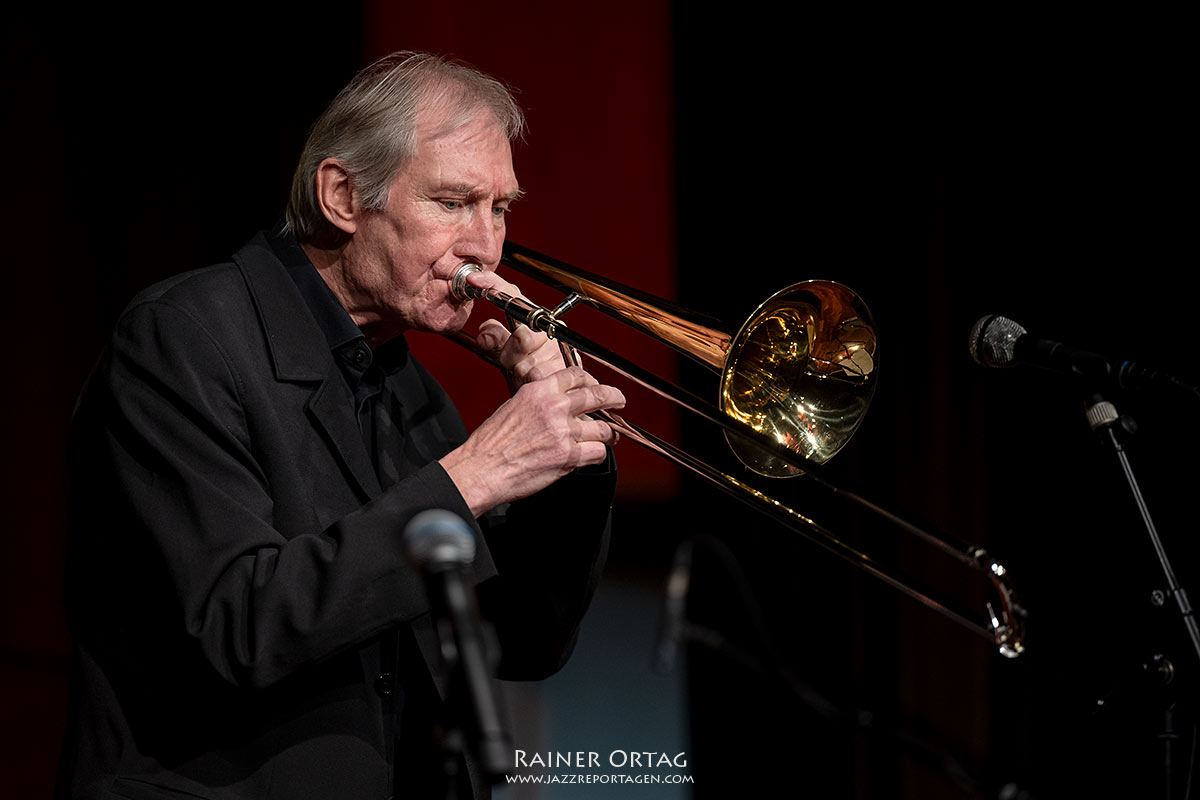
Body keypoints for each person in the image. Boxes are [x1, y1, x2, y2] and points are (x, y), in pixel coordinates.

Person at [57, 52, 625, 800]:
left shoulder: (415, 397)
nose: (487, 247)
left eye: (501, 208)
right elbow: (241, 623)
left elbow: (518, 643)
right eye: (455, 203)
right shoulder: (183, 337)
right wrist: (477, 473)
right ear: (343, 195)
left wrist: (565, 460)